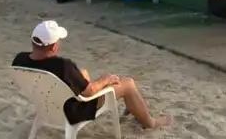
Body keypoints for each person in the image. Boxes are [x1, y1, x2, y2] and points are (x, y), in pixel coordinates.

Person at [12, 21, 170, 129]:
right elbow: (89, 92)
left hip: (47, 106)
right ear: (53, 47)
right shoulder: (62, 66)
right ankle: (151, 123)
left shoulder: (19, 60)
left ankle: (132, 106)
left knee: (83, 72)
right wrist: (105, 80)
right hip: (75, 111)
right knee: (127, 83)